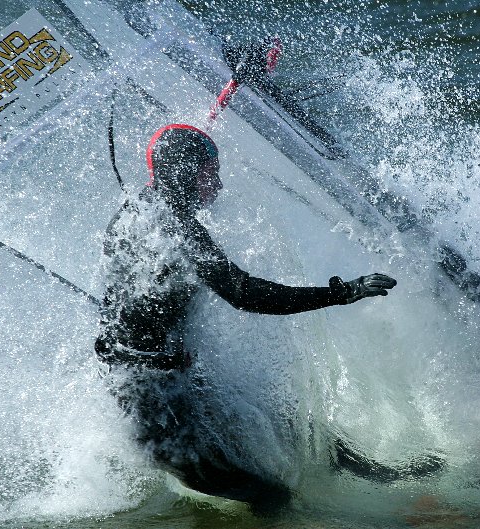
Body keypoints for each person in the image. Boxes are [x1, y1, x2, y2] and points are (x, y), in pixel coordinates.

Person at [95, 123, 397, 507]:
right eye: (209, 175)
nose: (218, 187)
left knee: (289, 426)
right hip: (150, 406)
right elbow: (244, 293)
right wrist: (341, 292)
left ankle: (373, 473)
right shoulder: (173, 226)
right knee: (270, 497)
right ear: (182, 172)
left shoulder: (141, 210)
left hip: (175, 376)